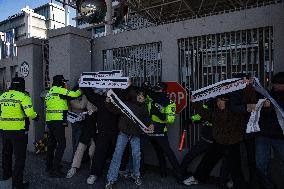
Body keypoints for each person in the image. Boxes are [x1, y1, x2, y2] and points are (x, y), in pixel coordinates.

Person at [183, 95, 248, 189]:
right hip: (218, 141)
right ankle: (197, 178)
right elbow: (205, 114)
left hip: (232, 143)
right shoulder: (216, 112)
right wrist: (195, 103)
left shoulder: (234, 112)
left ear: (227, 101)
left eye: (222, 100)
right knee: (207, 160)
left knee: (235, 167)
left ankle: (237, 184)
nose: (219, 103)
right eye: (217, 101)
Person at [105, 88, 154, 189]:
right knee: (117, 155)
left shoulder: (144, 107)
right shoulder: (126, 103)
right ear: (136, 95)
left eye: (143, 96)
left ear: (145, 99)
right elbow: (114, 110)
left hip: (136, 134)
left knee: (136, 155)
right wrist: (108, 103)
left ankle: (136, 175)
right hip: (124, 133)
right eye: (140, 95)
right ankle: (111, 179)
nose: (141, 97)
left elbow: (146, 118)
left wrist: (151, 124)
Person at [0, 77, 38, 189]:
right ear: (22, 85)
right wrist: (36, 117)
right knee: (19, 158)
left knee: (6, 154)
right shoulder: (23, 96)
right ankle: (17, 183)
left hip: (4, 130)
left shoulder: (2, 96)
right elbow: (30, 113)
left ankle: (6, 176)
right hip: (18, 132)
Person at [45, 75, 82, 178]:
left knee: (52, 144)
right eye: (64, 82)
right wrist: (81, 86)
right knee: (62, 144)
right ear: (61, 82)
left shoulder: (50, 91)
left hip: (50, 121)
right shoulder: (60, 90)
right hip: (58, 121)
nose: (65, 84)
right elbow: (74, 95)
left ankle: (49, 166)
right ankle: (56, 169)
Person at [144, 81, 182, 181]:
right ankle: (162, 171)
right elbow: (142, 97)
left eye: (159, 89)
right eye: (155, 88)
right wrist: (145, 87)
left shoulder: (169, 102)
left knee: (168, 152)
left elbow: (171, 119)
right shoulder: (150, 97)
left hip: (160, 129)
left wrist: (160, 113)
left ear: (164, 90)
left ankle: (179, 174)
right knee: (156, 151)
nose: (157, 90)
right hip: (148, 128)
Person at [81, 88, 119, 185]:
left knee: (118, 153)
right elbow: (89, 94)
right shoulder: (100, 99)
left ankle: (118, 173)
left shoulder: (118, 99)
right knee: (99, 153)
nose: (107, 91)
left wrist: (128, 85)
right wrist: (83, 84)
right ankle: (94, 174)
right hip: (103, 132)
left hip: (116, 132)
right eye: (106, 89)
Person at [256, 72, 284, 189]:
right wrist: (265, 106)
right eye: (275, 83)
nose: (276, 86)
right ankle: (268, 185)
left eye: (279, 84)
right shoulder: (268, 94)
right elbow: (259, 109)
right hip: (264, 134)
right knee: (260, 164)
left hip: (280, 135)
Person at [66, 99, 97, 178]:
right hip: (87, 128)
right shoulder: (88, 95)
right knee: (80, 149)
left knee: (92, 152)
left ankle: (93, 171)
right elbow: (81, 105)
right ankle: (74, 167)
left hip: (97, 130)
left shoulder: (102, 96)